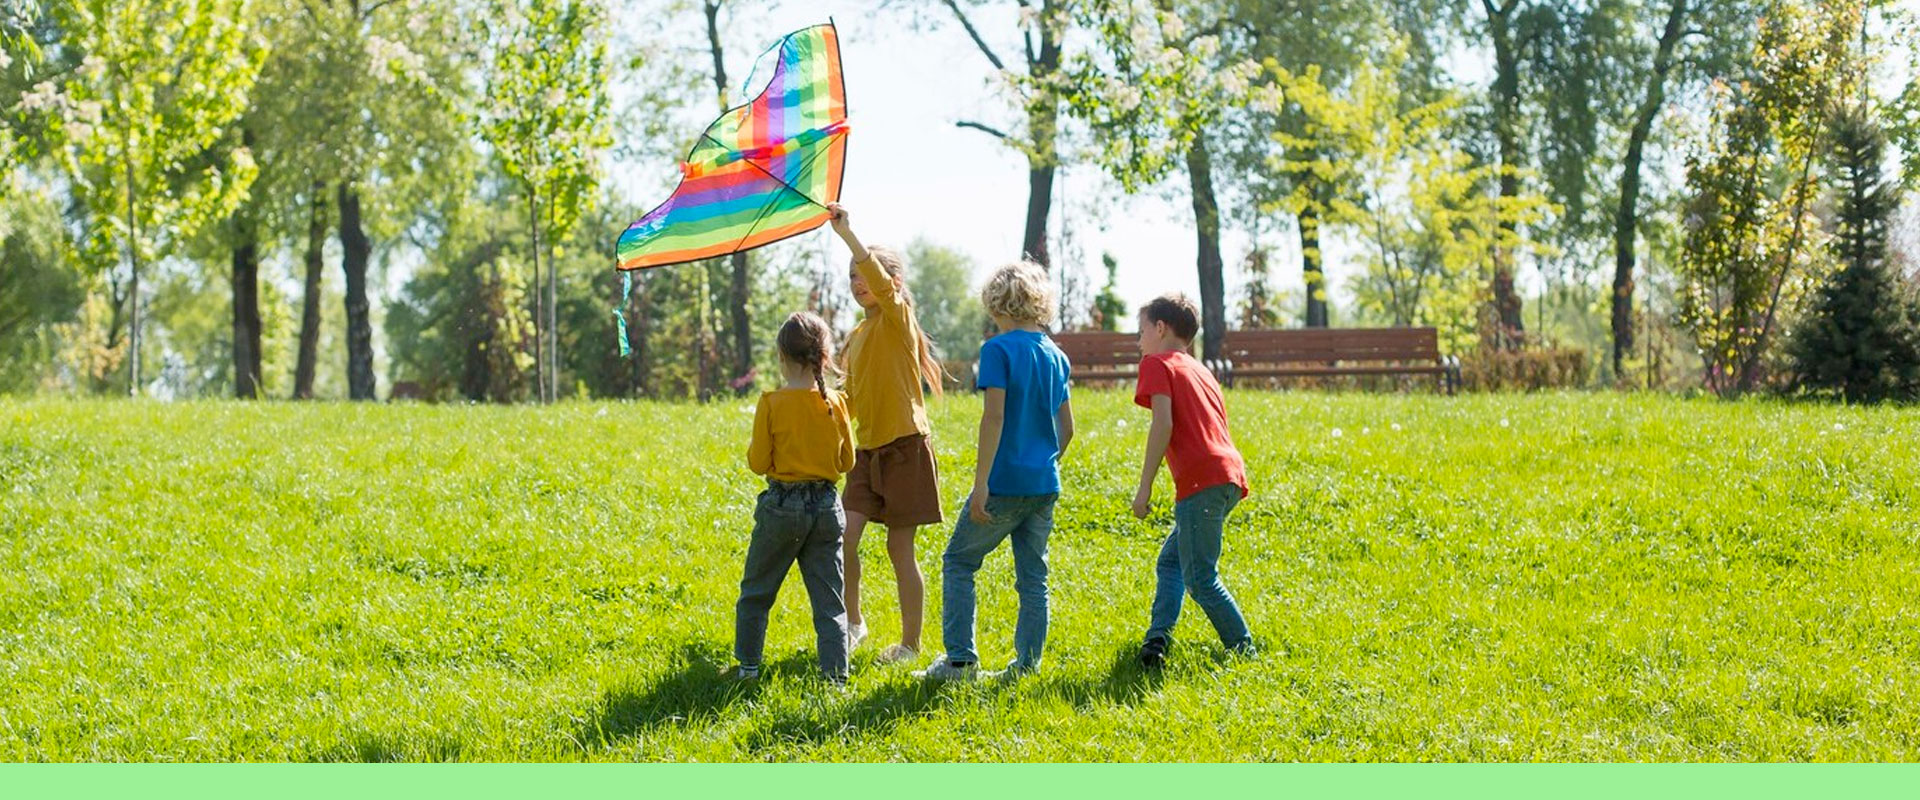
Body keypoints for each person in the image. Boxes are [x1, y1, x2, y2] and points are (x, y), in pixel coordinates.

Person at [918, 261, 1074, 681]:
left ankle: (960, 662)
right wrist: (1044, 463)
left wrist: (982, 482)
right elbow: (1068, 428)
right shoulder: (1057, 356)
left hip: (1003, 481)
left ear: (995, 304)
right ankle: (1026, 667)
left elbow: (994, 417)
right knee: (1034, 578)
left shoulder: (997, 350)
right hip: (1044, 484)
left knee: (959, 561)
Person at [825, 202, 946, 666]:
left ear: (893, 282)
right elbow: (851, 399)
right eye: (851, 277)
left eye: (865, 276)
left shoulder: (899, 319)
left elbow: (879, 282)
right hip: (867, 454)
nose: (858, 283)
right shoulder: (857, 335)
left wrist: (848, 235)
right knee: (844, 538)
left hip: (905, 447)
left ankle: (910, 644)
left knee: (900, 549)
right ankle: (854, 625)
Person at [1130, 294, 1255, 669]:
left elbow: (1163, 424)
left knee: (1200, 578)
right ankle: (1157, 639)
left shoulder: (1156, 363)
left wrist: (1144, 486)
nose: (1139, 341)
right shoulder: (1201, 371)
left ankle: (1244, 650)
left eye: (1141, 331)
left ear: (1160, 328)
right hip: (1228, 475)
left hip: (1201, 481)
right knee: (1171, 563)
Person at [734, 312, 857, 684]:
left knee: (756, 591)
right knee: (830, 601)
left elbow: (758, 463)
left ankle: (748, 668)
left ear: (781, 355)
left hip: (781, 509)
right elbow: (847, 462)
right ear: (824, 356)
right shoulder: (837, 402)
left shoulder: (771, 402)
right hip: (826, 509)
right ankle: (835, 679)